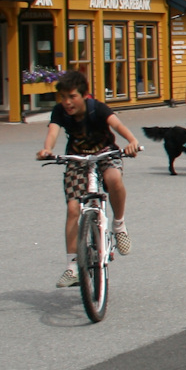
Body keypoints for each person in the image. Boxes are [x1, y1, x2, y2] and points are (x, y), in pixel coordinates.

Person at [37, 72, 140, 288]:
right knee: (73, 209)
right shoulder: (60, 112)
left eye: (72, 96)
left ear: (84, 95)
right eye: (63, 97)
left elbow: (118, 126)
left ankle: (119, 225)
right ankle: (72, 266)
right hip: (78, 158)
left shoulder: (97, 108)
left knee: (113, 179)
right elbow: (53, 132)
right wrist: (47, 149)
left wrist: (131, 141)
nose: (67, 102)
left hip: (105, 153)